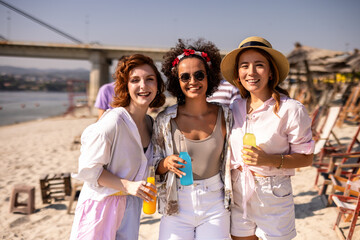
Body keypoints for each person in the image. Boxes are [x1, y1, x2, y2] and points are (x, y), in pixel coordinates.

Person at [221, 36, 315, 240]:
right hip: (238, 192)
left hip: (273, 193)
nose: (251, 72)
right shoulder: (234, 107)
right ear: (238, 73)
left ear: (271, 71)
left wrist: (269, 160)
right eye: (244, 66)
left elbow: (307, 157)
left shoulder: (291, 109)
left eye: (259, 65)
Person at [70, 54, 166, 240]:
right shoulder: (113, 122)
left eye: (150, 79)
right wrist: (129, 185)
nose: (143, 86)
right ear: (126, 86)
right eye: (135, 80)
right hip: (101, 207)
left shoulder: (150, 123)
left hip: (131, 207)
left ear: (158, 86)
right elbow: (89, 170)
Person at [152, 39, 233, 240]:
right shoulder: (164, 120)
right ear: (177, 81)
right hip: (176, 203)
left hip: (215, 202)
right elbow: (150, 164)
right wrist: (165, 163)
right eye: (185, 77)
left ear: (210, 77)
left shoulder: (226, 115)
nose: (192, 81)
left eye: (199, 75)